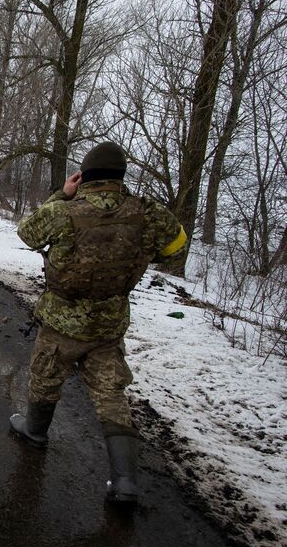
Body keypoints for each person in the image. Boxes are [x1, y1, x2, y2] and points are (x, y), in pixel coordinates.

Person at [10, 141, 187, 505]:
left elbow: (27, 233)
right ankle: (124, 482)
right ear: (120, 177)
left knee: (45, 377)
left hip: (62, 322)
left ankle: (35, 432)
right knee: (111, 393)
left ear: (85, 177)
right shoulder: (148, 212)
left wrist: (62, 193)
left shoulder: (64, 211)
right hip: (108, 325)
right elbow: (176, 249)